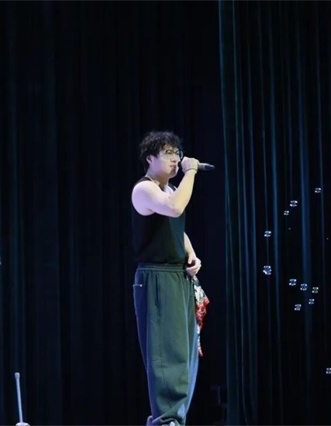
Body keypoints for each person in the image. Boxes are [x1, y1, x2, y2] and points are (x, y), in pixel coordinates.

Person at [130, 131, 206, 426]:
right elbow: (175, 209)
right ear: (150, 158)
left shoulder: (170, 190)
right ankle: (166, 419)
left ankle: (175, 418)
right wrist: (191, 172)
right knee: (166, 352)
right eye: (169, 153)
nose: (176, 159)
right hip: (156, 276)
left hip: (177, 275)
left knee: (185, 353)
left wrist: (191, 254)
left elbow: (176, 228)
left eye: (178, 153)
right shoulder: (144, 189)